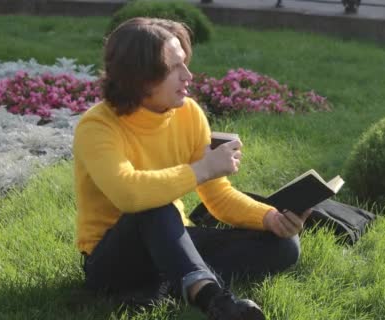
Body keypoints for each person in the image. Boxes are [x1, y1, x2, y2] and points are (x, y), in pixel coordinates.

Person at [72, 17, 311, 320]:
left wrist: (270, 218)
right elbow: (128, 194)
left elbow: (218, 197)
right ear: (140, 76)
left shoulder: (189, 114)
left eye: (184, 62)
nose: (188, 75)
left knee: (284, 246)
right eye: (174, 67)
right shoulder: (97, 126)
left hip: (172, 240)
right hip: (113, 260)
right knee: (154, 204)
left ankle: (169, 283)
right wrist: (202, 169)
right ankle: (215, 301)